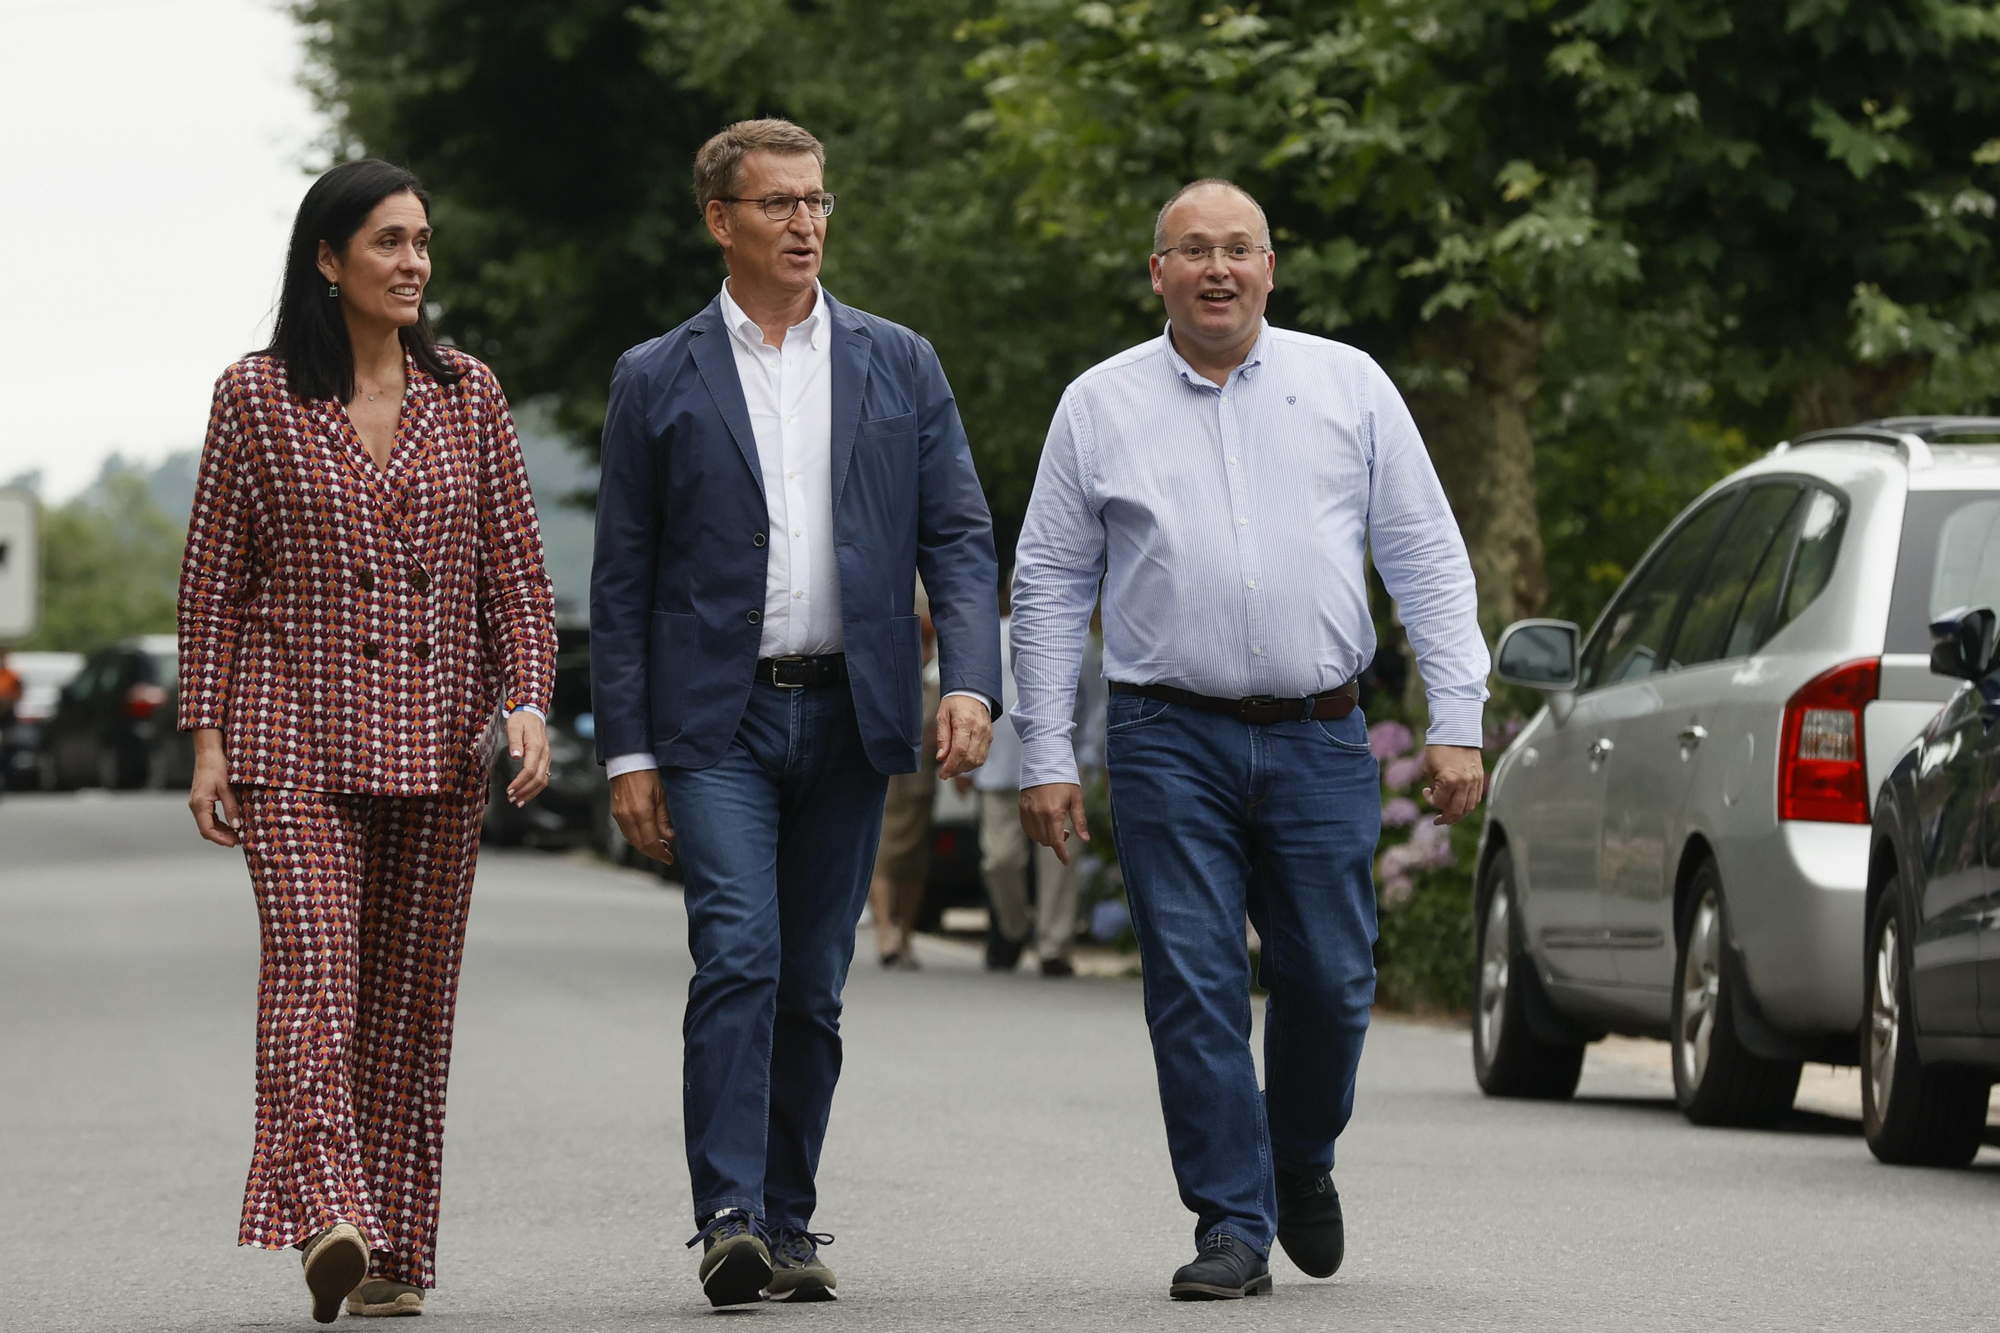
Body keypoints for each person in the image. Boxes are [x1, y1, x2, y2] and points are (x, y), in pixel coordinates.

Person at [1009, 179, 1488, 1301]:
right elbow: (1045, 586)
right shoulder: (1098, 403)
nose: (1216, 268)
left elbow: (1422, 551)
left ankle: (1298, 1154)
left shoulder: (1347, 384)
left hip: (1322, 736)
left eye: (1237, 249)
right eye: (1192, 251)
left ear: (1271, 268)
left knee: (1331, 976)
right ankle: (1229, 1218)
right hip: (1165, 732)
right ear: (1157, 274)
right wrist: (1042, 753)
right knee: (1192, 977)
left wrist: (1455, 720)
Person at [590, 118, 1002, 1308]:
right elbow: (620, 581)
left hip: (854, 714)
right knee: (739, 953)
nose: (805, 223)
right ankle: (724, 1213)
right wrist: (627, 749)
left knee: (812, 984)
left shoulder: (898, 362)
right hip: (712, 724)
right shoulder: (656, 376)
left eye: (816, 202)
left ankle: (789, 1216)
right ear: (721, 220)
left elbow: (960, 537)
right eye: (777, 204)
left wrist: (966, 679)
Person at [178, 159, 557, 1323]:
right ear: (327, 260)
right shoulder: (254, 398)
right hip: (292, 737)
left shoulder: (469, 393)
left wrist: (528, 700)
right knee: (314, 984)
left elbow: (516, 574)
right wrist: (208, 739)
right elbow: (211, 584)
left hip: (441, 742)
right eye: (387, 242)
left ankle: (389, 1247)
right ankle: (331, 1210)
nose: (412, 264)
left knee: (406, 1002)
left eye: (422, 243)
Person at [973, 593, 1106, 976]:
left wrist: (1089, 760)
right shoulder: (992, 636)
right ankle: (1014, 929)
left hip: (1060, 771)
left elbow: (1097, 704)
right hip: (997, 768)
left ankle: (1054, 946)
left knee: (1060, 861)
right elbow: (975, 697)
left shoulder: (1080, 638)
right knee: (1000, 861)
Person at [867, 579, 941, 969]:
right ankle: (884, 931)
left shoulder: (937, 561)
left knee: (914, 853)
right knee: (883, 843)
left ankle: (906, 933)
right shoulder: (887, 566)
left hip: (924, 760)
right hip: (886, 736)